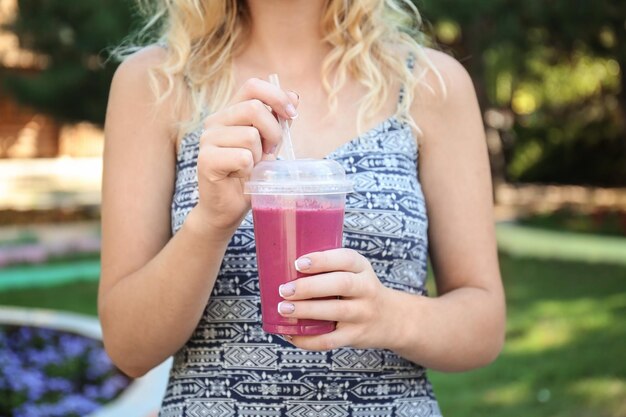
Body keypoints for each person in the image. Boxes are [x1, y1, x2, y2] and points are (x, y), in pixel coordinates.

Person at [99, 0, 506, 415]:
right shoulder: (154, 81)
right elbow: (129, 349)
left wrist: (389, 315)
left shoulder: (429, 83)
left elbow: (484, 327)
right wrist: (210, 223)